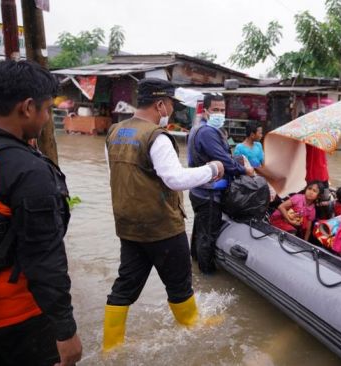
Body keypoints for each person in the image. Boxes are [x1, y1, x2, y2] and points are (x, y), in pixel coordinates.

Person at [103, 79, 224, 352]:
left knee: (124, 286)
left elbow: (115, 176)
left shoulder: (114, 132)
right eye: (170, 103)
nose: (171, 109)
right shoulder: (156, 136)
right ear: (160, 104)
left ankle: (111, 346)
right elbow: (175, 179)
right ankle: (193, 328)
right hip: (162, 229)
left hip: (128, 227)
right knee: (180, 285)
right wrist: (213, 169)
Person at [0, 60, 82, 366]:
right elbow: (45, 259)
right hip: (17, 320)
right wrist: (66, 331)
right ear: (27, 108)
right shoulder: (28, 171)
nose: (46, 119)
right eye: (46, 109)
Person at [187, 94, 254, 274]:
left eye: (223, 110)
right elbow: (224, 161)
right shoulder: (208, 132)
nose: (220, 114)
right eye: (215, 110)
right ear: (206, 110)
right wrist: (245, 170)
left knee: (200, 232)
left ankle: (194, 262)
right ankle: (207, 276)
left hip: (199, 190)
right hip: (208, 193)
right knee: (207, 237)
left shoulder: (197, 128)